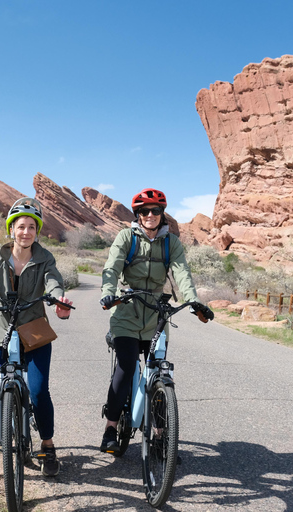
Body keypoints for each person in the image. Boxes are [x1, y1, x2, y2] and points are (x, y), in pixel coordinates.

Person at [0, 197, 73, 481]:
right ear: (11, 229)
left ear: (37, 231)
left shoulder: (45, 258)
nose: (26, 232)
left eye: (32, 227)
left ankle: (47, 446)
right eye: (21, 227)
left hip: (35, 331)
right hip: (0, 330)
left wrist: (58, 299)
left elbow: (53, 281)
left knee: (40, 391)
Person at [98, 188, 213, 452]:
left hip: (157, 315)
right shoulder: (127, 237)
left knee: (159, 370)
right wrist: (108, 293)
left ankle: (161, 435)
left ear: (162, 214)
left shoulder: (170, 242)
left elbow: (182, 272)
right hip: (126, 311)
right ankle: (110, 429)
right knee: (126, 367)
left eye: (156, 211)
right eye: (144, 211)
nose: (150, 215)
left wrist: (194, 301)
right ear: (137, 215)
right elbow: (112, 267)